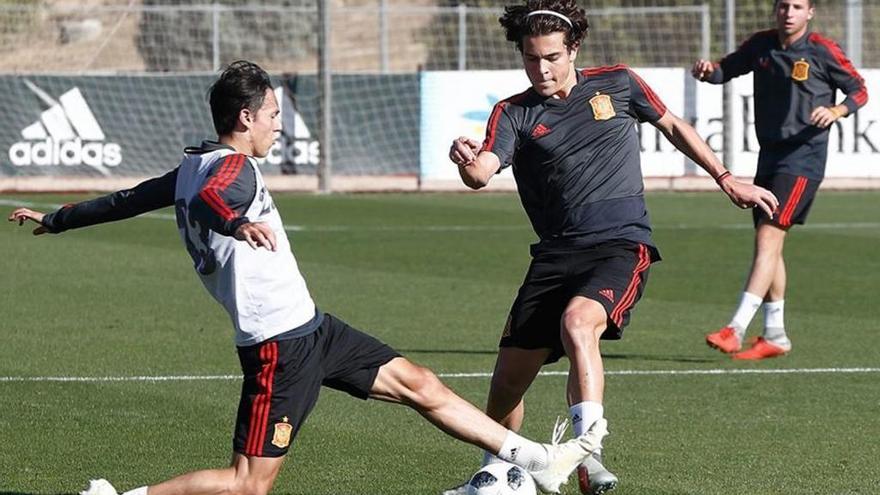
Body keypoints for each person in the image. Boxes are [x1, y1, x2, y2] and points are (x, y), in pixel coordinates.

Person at [8, 60, 608, 495]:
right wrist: (236, 222)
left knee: (418, 383)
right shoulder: (231, 171)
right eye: (271, 114)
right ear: (245, 118)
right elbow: (222, 197)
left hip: (313, 329)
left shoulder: (194, 164)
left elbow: (127, 198)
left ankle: (535, 459)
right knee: (248, 485)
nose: (278, 124)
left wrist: (61, 218)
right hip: (280, 348)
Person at [443, 2, 778, 494]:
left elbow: (674, 126)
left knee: (579, 324)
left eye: (552, 57)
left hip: (620, 245)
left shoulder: (618, 82)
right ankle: (496, 470)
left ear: (573, 48)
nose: (542, 68)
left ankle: (585, 452)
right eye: (532, 59)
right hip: (554, 256)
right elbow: (481, 171)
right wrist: (465, 159)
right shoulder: (512, 112)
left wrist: (725, 177)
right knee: (508, 381)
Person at [693, 0, 867, 360]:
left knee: (768, 236)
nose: (789, 12)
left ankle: (735, 328)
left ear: (810, 12)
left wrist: (837, 110)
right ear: (776, 10)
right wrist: (707, 71)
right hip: (769, 155)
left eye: (798, 6)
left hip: (803, 160)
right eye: (784, 5)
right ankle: (775, 334)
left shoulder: (822, 49)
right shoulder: (761, 45)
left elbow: (859, 90)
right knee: (771, 246)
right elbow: (725, 70)